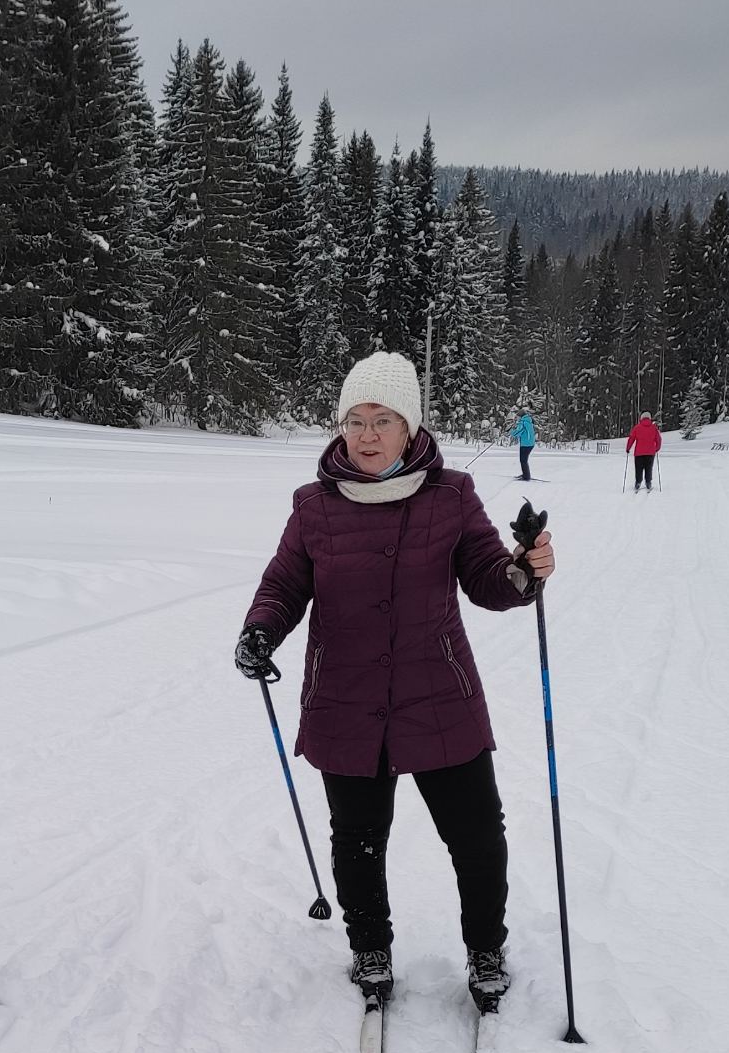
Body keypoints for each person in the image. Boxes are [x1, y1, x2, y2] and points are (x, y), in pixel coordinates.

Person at [234, 352, 555, 1010]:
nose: (368, 434)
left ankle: (486, 946)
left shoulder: (452, 496)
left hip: (438, 692)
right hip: (344, 698)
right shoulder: (313, 507)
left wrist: (525, 571)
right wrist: (260, 630)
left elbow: (490, 579)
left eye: (383, 419)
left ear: (409, 428)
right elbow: (285, 584)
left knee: (475, 834)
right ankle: (369, 946)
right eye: (355, 420)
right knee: (356, 837)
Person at [626, 411, 662, 492]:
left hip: (639, 453)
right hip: (650, 452)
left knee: (638, 468)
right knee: (648, 468)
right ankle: (648, 482)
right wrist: (657, 448)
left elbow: (631, 438)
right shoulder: (654, 428)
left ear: (641, 418)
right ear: (649, 418)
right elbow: (658, 439)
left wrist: (628, 448)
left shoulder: (637, 427)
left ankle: (638, 482)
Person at [510, 409, 537, 481]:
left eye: (517, 416)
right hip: (530, 443)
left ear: (521, 416)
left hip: (526, 444)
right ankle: (525, 474)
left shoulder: (523, 422)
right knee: (524, 460)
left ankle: (526, 476)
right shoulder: (528, 421)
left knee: (523, 460)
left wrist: (511, 432)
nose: (517, 418)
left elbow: (518, 432)